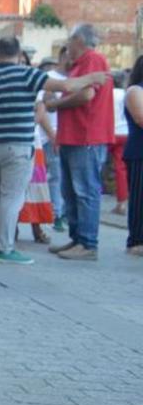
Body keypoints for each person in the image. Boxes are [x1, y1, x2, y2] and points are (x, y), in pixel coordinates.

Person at [0, 37, 103, 264]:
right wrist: (92, 77)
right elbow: (66, 86)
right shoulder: (28, 74)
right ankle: (4, 248)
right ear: (18, 53)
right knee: (12, 198)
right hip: (17, 147)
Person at [44, 23, 115, 260]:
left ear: (79, 40)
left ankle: (87, 242)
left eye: (70, 40)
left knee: (84, 190)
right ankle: (77, 239)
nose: (67, 45)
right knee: (71, 190)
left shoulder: (92, 60)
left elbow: (86, 94)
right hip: (74, 135)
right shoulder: (78, 65)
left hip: (86, 135)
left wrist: (55, 104)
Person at [38, 51, 67, 232]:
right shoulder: (49, 78)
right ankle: (55, 214)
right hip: (49, 134)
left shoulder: (75, 77)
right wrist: (52, 134)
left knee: (62, 176)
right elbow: (43, 107)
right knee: (54, 176)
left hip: (66, 135)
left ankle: (59, 212)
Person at [123, 56, 143, 256]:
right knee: (139, 198)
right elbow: (140, 118)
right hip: (139, 152)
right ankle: (136, 240)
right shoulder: (135, 91)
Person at [110, 71, 130, 216]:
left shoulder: (108, 94)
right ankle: (122, 202)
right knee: (121, 169)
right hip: (124, 132)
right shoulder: (126, 94)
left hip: (108, 132)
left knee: (96, 166)